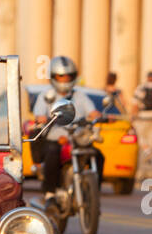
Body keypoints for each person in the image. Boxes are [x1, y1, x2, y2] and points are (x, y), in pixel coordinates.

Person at [30, 55, 102, 196]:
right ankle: (49, 193)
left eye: (68, 76)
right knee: (52, 155)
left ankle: (94, 194)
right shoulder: (46, 95)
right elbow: (38, 114)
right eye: (60, 76)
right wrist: (42, 118)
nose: (65, 80)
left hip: (76, 138)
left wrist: (99, 116)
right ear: (53, 77)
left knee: (98, 156)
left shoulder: (80, 96)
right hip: (55, 139)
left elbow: (92, 111)